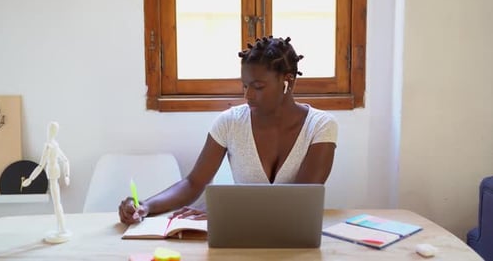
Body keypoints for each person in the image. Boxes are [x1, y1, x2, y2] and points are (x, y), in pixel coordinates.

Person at [119, 36, 338, 225]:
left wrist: (224, 212)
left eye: (258, 87)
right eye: (245, 85)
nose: (248, 96)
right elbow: (193, 183)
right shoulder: (229, 122)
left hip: (295, 235)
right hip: (242, 235)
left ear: (288, 81)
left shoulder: (320, 126)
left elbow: (300, 200)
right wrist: (145, 206)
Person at [22, 121, 72, 243]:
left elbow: (40, 165)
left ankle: (63, 229)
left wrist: (30, 179)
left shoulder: (49, 145)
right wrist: (66, 175)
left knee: (56, 203)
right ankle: (60, 228)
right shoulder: (54, 144)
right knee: (57, 202)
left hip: (53, 173)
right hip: (56, 171)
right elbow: (65, 160)